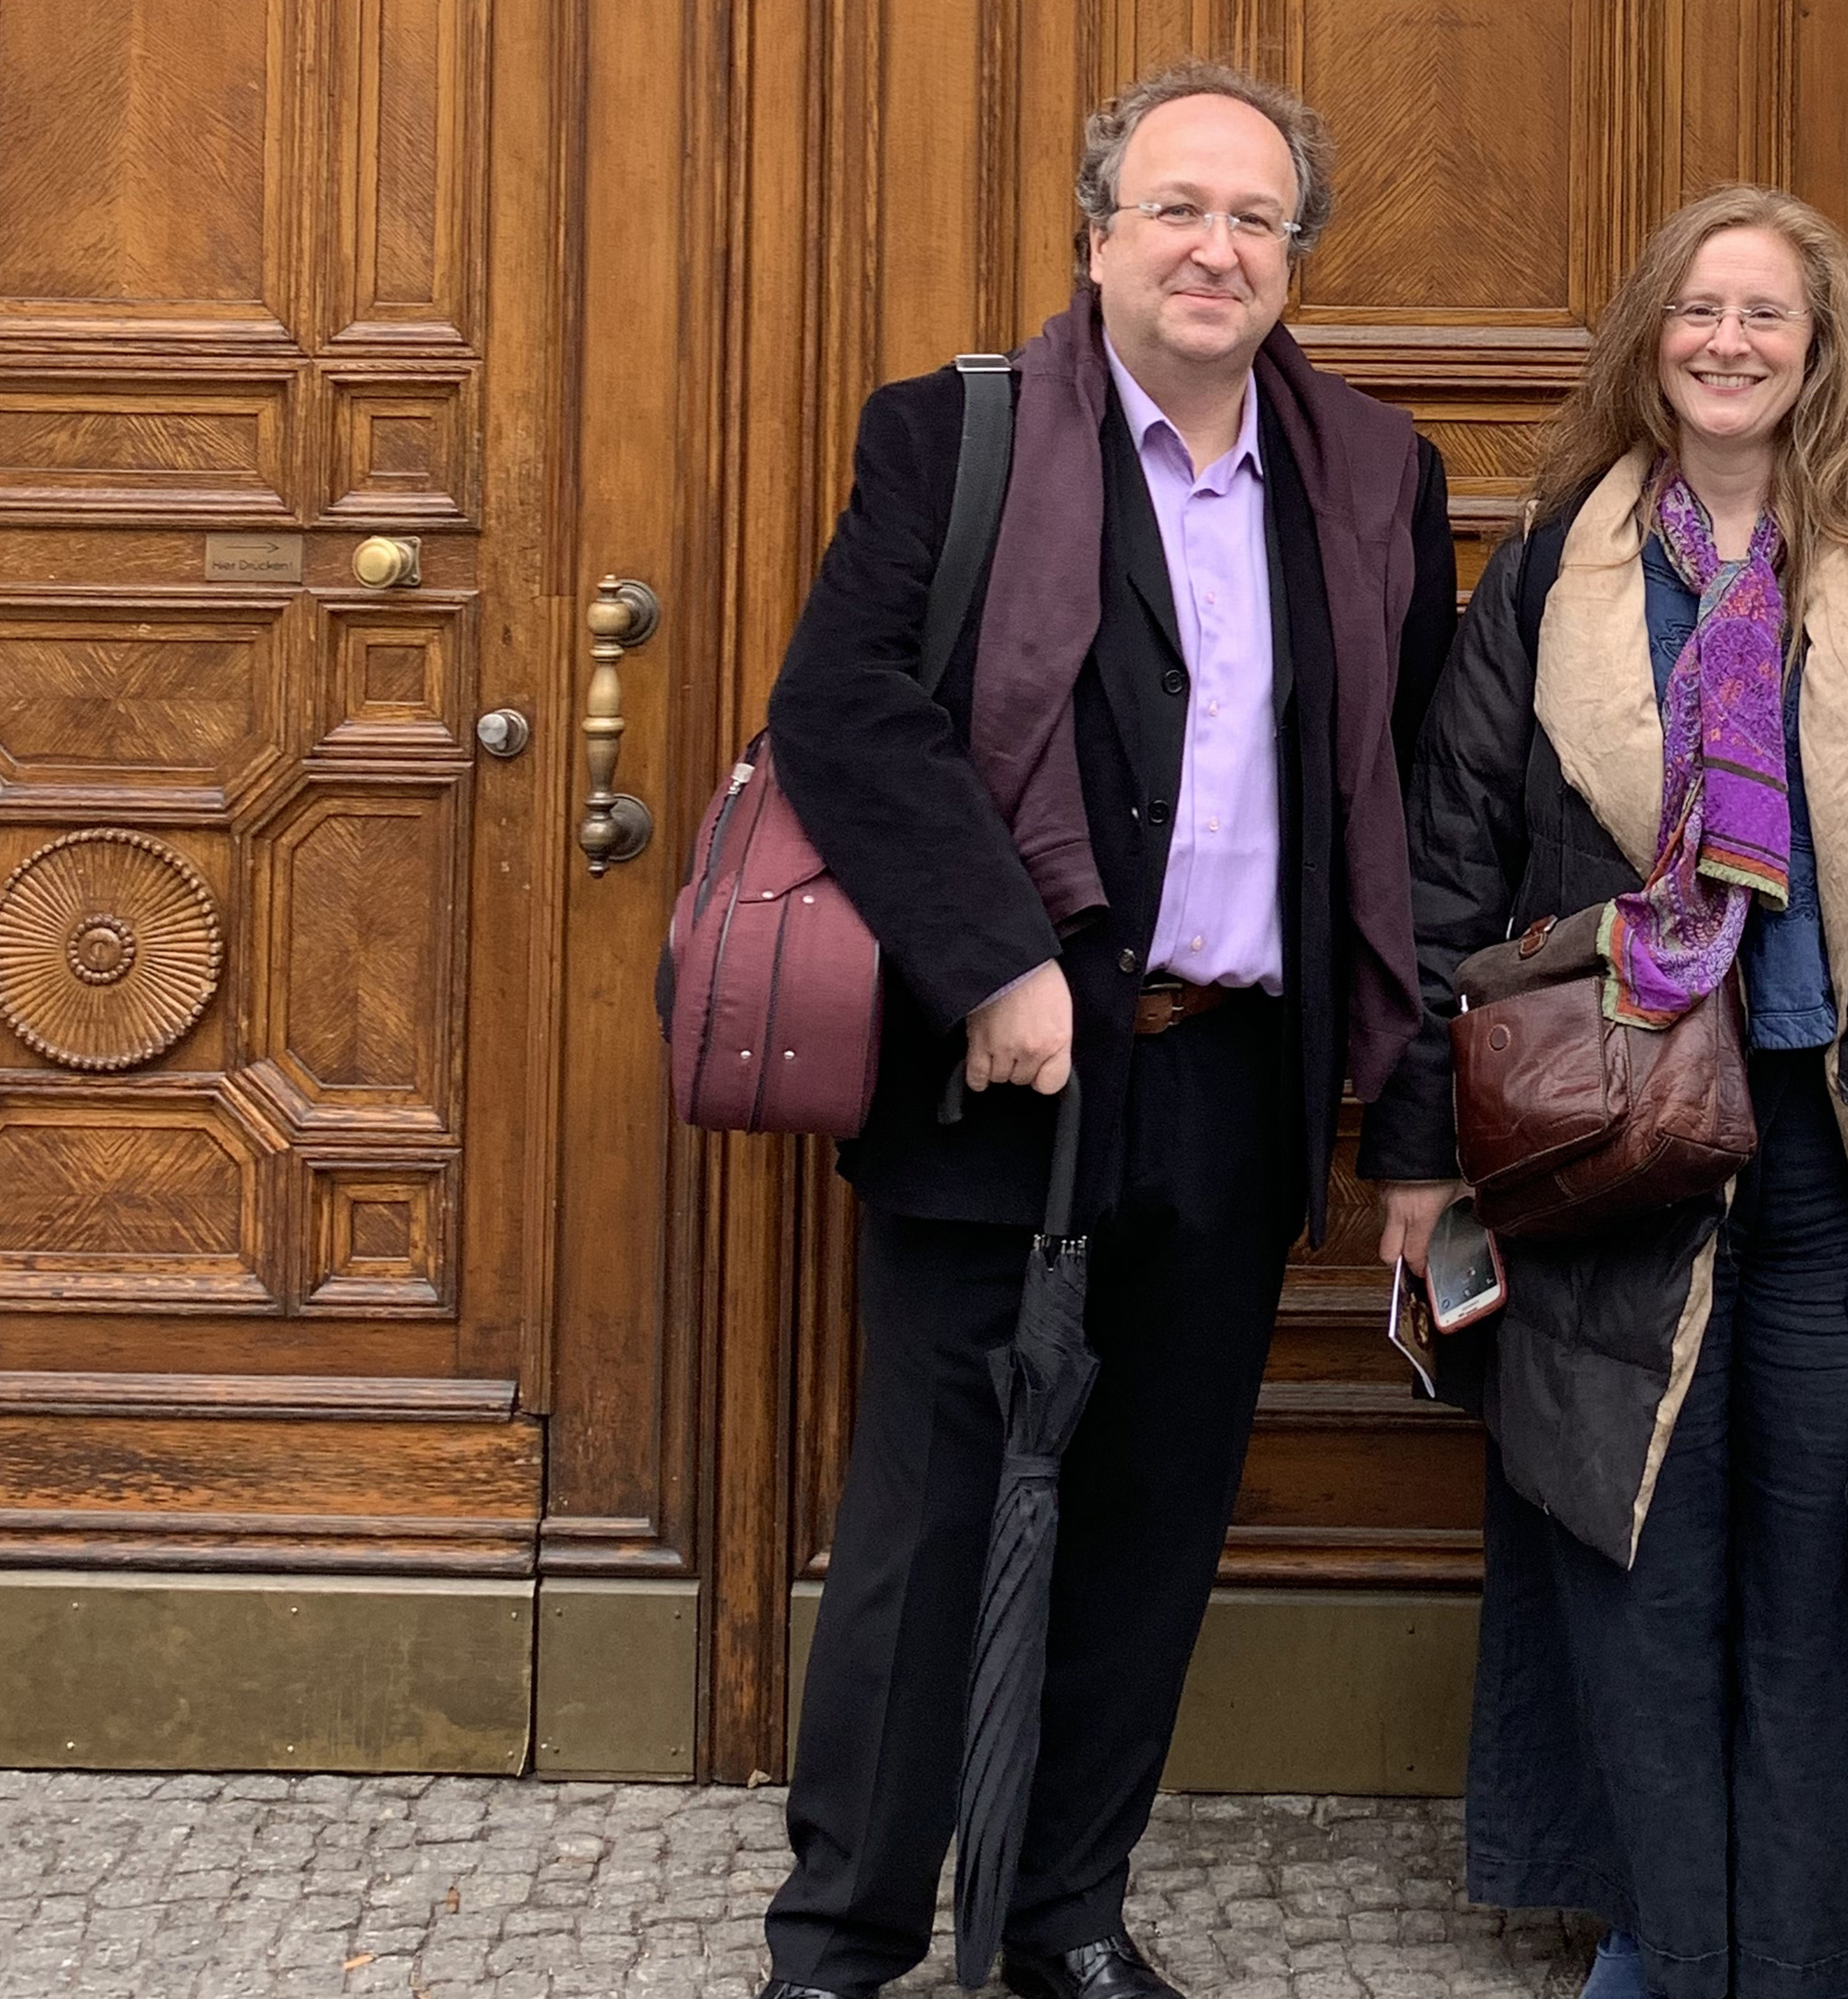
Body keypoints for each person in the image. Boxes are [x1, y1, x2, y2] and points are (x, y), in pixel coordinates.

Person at [752, 61, 1456, 1999]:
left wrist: (1405, 1127)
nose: (1214, 245)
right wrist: (993, 960)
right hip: (1006, 1073)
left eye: (1253, 217)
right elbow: (844, 713)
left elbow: (1399, 803)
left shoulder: (1379, 478)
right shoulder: (954, 438)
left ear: (1292, 261)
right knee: (930, 1521)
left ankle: (1063, 1917)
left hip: (1233, 1079)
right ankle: (841, 1941)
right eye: (1176, 207)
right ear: (1097, 239)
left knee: (1147, 1527)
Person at [1358, 186, 1848, 1999]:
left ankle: (1808, 1958)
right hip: (1615, 1162)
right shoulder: (1553, 572)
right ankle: (1674, 1949)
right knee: (1642, 1586)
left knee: (1819, 1591)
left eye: (1767, 314)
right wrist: (1409, 1156)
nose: (1730, 342)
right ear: (1649, 340)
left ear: (1818, 348)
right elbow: (1443, 864)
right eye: (1699, 311)